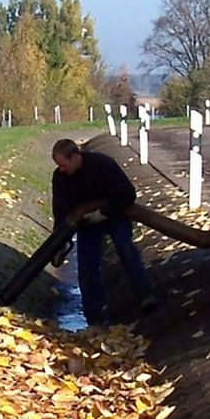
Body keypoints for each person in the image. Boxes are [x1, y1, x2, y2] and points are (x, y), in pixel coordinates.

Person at [51, 138, 157, 326]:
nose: (61, 169)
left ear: (75, 156)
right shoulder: (60, 178)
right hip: (86, 222)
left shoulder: (103, 164)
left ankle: (145, 296)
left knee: (125, 248)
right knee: (87, 265)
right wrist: (58, 240)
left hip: (114, 213)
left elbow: (127, 194)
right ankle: (94, 316)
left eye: (63, 164)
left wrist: (103, 213)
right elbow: (60, 210)